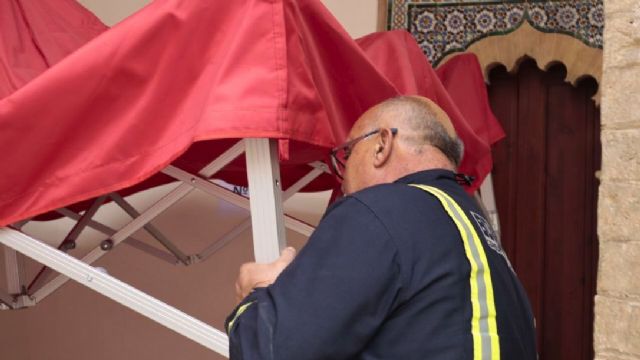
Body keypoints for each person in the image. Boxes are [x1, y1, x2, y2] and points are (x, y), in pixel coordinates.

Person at [225, 96, 537, 359]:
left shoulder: (378, 209)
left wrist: (259, 294)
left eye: (346, 155)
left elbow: (270, 350)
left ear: (381, 145)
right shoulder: (480, 236)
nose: (342, 179)